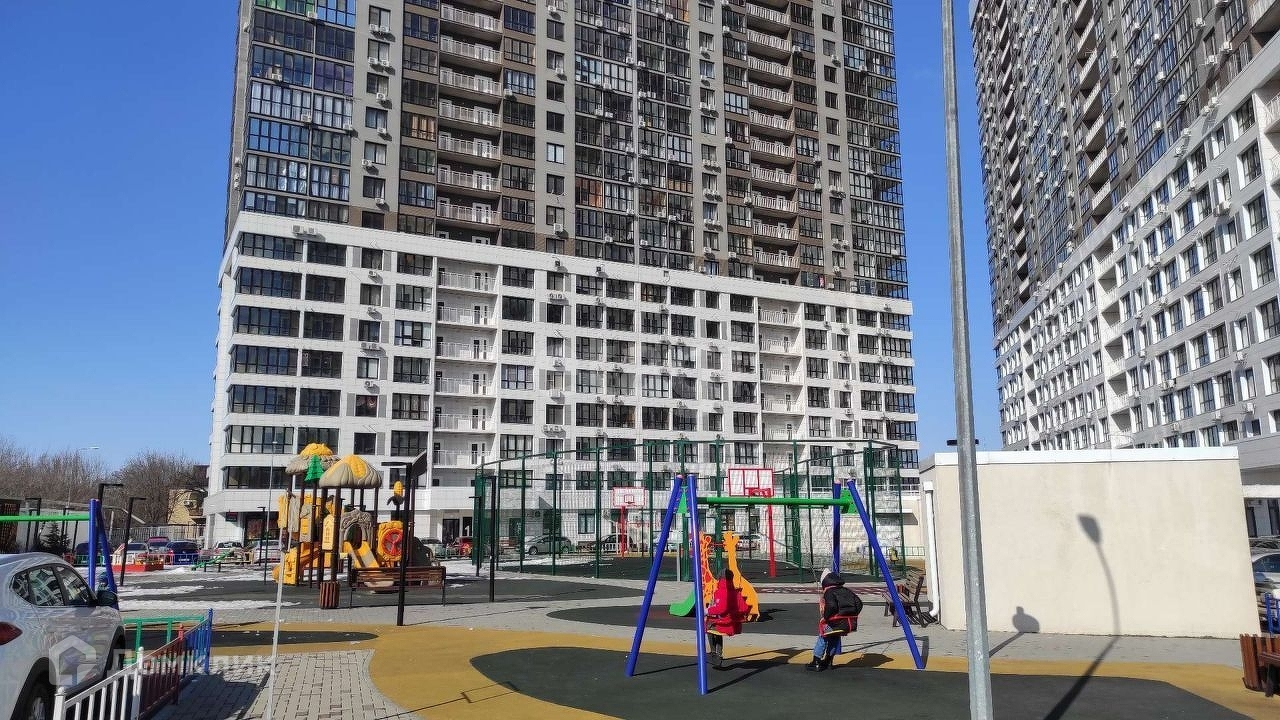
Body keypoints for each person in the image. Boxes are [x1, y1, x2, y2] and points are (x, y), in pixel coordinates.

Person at [806, 569, 863, 672]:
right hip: (848, 623)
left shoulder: (829, 591)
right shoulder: (846, 590)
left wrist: (826, 617)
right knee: (834, 637)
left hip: (834, 623)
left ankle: (816, 662)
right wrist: (851, 614)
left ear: (825, 582)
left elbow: (832, 606)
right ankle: (828, 661)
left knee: (823, 637)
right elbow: (859, 603)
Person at [705, 567, 750, 669]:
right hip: (732, 623)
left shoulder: (722, 591)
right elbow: (744, 607)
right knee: (714, 628)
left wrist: (707, 610)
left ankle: (715, 653)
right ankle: (718, 653)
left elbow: (721, 608)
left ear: (720, 579)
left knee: (708, 626)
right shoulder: (735, 591)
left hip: (724, 622)